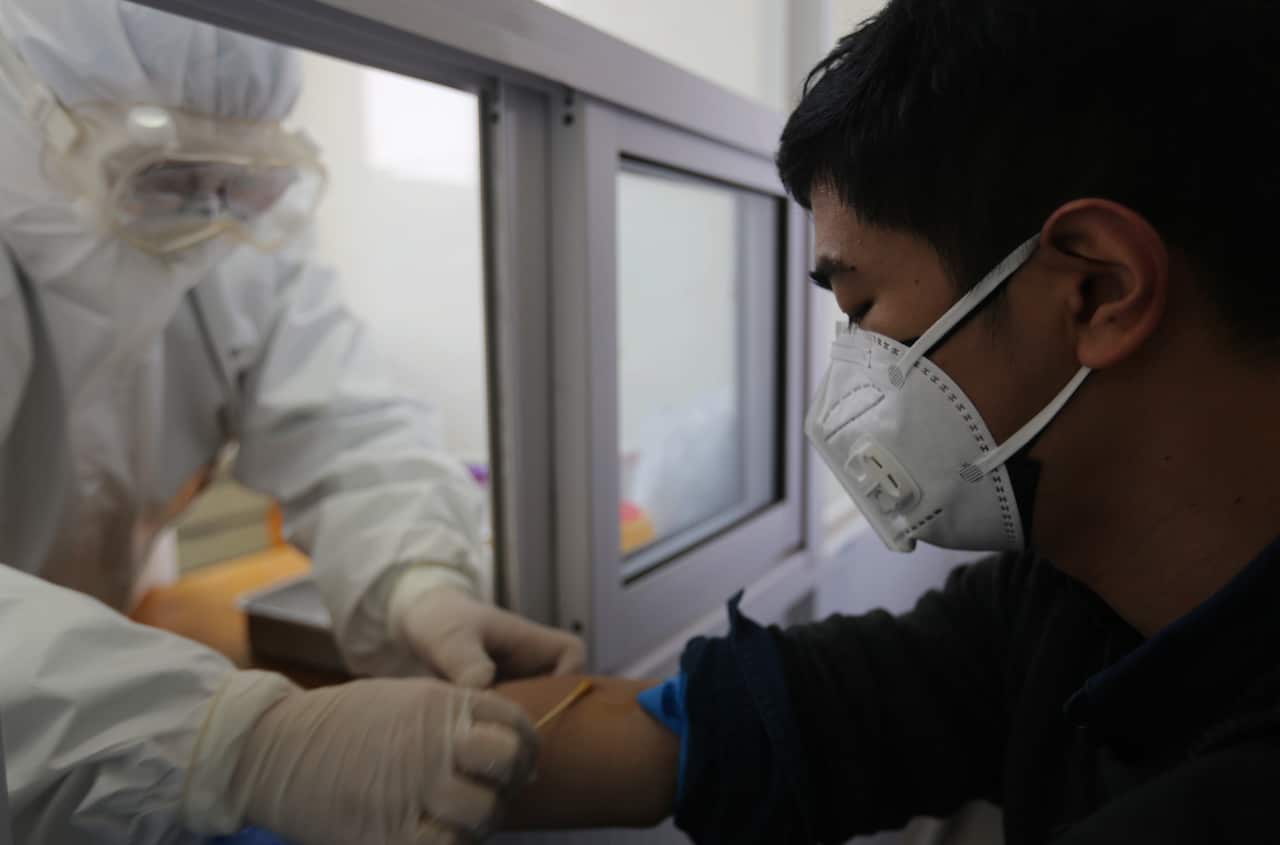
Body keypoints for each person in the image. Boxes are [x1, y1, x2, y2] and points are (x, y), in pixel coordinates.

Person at [485, 0, 1280, 842]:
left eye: (861, 305)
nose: (853, 372)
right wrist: (370, 742)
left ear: (1096, 290)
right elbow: (736, 725)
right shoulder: (1073, 600)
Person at [0, 0, 583, 841]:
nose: (208, 218)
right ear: (24, 117)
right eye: (163, 177)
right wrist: (232, 744)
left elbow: (346, 423)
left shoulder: (218, 218)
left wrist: (413, 578)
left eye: (242, 179)